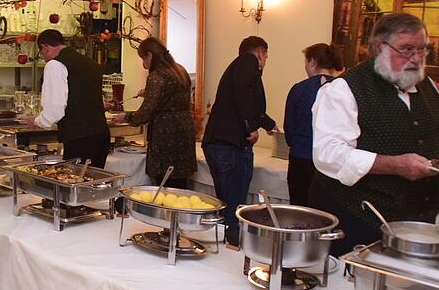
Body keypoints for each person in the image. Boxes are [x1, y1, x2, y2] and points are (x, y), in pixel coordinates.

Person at [310, 12, 439, 256]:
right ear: (378, 48)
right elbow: (328, 153)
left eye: (422, 50)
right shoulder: (344, 89)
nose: (416, 59)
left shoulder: (427, 87)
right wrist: (393, 165)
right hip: (357, 219)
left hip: (415, 223)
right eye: (406, 49)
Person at [202, 36, 278, 244]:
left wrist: (269, 125)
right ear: (260, 53)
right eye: (266, 56)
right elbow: (243, 95)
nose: (265, 62)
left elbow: (247, 102)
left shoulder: (236, 67)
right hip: (230, 144)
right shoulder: (248, 61)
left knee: (226, 202)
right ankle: (232, 248)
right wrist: (250, 128)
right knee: (234, 208)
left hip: (218, 142)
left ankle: (223, 245)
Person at [112, 38, 196, 188]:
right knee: (180, 186)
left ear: (149, 56)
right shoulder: (180, 70)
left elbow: (145, 114)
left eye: (142, 59)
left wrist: (126, 117)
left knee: (165, 185)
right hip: (184, 131)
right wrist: (149, 92)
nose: (143, 64)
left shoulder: (157, 75)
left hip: (166, 136)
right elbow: (175, 96)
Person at [21, 29, 110, 167]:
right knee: (94, 183)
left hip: (80, 139)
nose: (43, 57)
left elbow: (55, 109)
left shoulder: (55, 65)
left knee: (75, 183)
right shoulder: (89, 62)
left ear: (44, 47)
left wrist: (39, 121)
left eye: (41, 53)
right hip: (101, 135)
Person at [283, 43, 343, 206]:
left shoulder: (299, 89)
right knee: (326, 211)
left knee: (299, 209)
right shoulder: (343, 89)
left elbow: (289, 130)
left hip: (301, 157)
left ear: (312, 62)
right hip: (331, 161)